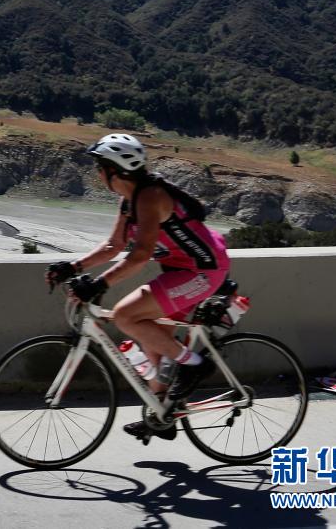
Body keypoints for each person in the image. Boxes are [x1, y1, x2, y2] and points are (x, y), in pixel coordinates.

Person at [45, 133, 231, 442]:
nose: (97, 173)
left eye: (100, 167)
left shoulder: (150, 197)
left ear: (115, 170)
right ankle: (162, 415)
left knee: (125, 315)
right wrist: (73, 267)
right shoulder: (129, 202)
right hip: (180, 271)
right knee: (154, 345)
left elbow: (140, 255)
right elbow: (114, 245)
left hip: (202, 271)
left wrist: (100, 283)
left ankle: (196, 365)